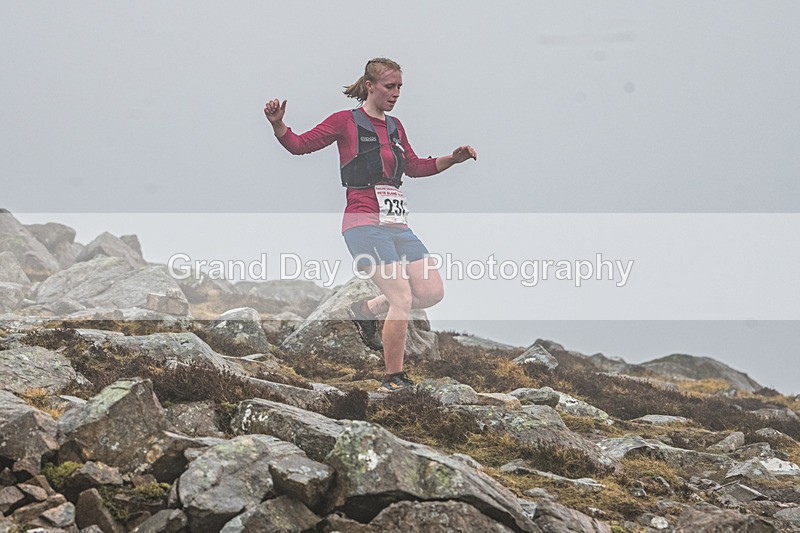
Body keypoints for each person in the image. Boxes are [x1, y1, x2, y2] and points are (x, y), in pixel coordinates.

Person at [264, 57, 476, 392]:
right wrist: (279, 126)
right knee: (403, 297)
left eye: (400, 87)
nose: (396, 93)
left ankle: (366, 309)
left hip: (397, 226)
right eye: (390, 87)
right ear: (370, 86)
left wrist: (453, 159)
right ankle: (394, 378)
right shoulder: (344, 121)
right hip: (363, 224)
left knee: (432, 292)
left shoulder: (395, 127)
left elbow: (415, 166)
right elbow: (300, 145)